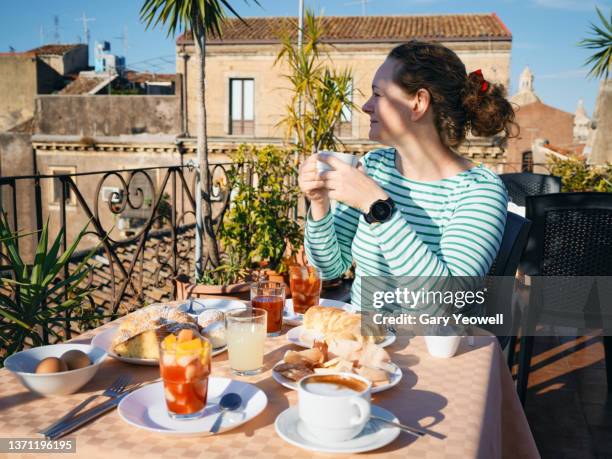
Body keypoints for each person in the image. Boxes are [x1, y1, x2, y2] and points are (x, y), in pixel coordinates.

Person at [299, 40, 516, 310]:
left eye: (378, 95)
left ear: (418, 102)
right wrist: (319, 204)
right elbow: (328, 268)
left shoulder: (480, 190)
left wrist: (378, 207)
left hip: (430, 347)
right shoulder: (375, 166)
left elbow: (445, 303)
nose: (366, 106)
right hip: (363, 339)